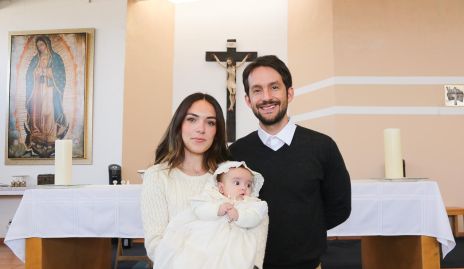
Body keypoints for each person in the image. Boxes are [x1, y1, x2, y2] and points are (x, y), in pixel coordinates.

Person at [229, 55, 352, 269]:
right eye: (257, 90)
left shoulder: (322, 147)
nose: (266, 97)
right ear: (248, 100)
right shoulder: (236, 153)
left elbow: (340, 206)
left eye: (274, 87)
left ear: (290, 93)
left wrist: (306, 232)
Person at [141, 92, 268, 268]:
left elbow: (257, 221)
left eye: (210, 122)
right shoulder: (157, 176)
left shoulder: (231, 175)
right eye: (192, 119)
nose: (201, 129)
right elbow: (155, 244)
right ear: (179, 125)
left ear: (217, 131)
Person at [154, 161, 268, 269]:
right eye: (237, 183)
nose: (243, 187)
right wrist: (217, 210)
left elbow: (255, 217)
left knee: (235, 260)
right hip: (206, 237)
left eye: (248, 185)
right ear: (221, 188)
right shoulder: (212, 197)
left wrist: (239, 216)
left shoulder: (252, 203)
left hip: (235, 242)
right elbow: (199, 209)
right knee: (192, 256)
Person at [25, 35, 68, 157]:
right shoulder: (35, 59)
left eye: (42, 45)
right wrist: (35, 73)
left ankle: (50, 134)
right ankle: (37, 133)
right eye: (38, 46)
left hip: (50, 89)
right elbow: (29, 75)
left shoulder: (56, 58)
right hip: (37, 88)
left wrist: (50, 73)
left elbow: (61, 75)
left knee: (48, 110)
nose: (40, 48)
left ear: (47, 44)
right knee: (37, 110)